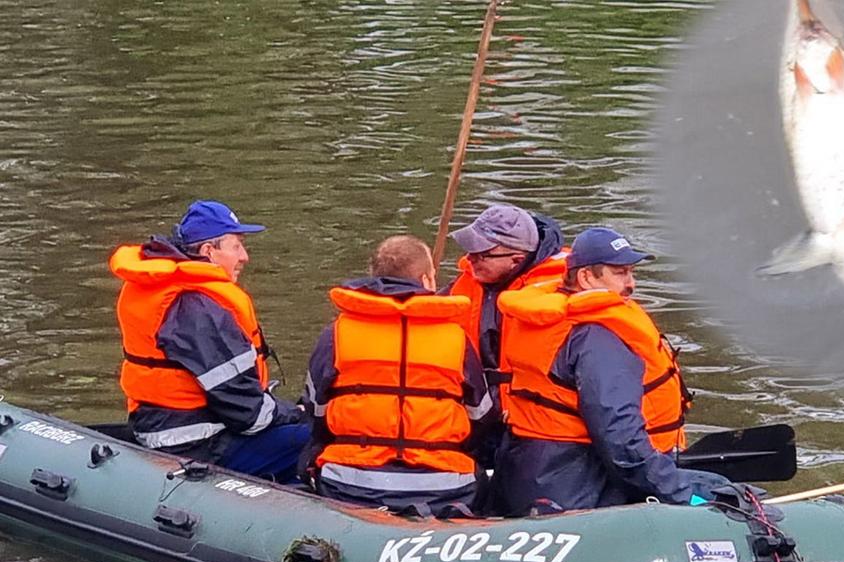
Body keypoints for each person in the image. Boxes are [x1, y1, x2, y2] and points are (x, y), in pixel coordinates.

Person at [493, 226, 729, 515]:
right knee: (726, 492)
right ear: (586, 277)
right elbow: (621, 440)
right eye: (619, 273)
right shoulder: (596, 337)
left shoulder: (542, 319)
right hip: (579, 487)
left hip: (530, 473)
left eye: (631, 272)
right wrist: (680, 494)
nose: (630, 284)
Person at [109, 199, 308, 482]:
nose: (244, 256)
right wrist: (295, 413)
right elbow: (247, 414)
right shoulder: (198, 307)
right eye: (236, 245)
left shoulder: (166, 290)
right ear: (208, 251)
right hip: (197, 445)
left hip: (160, 427)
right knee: (316, 438)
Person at [301, 235, 493, 514]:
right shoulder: (456, 338)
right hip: (445, 488)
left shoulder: (337, 333)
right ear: (427, 280)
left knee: (306, 455)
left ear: (373, 278)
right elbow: (480, 416)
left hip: (349, 484)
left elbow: (316, 411)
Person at [445, 204, 568, 408]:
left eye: (481, 254)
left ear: (516, 260)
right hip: (477, 406)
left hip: (529, 414)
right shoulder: (467, 282)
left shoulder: (560, 292)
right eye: (470, 251)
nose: (470, 259)